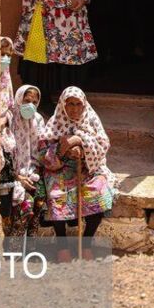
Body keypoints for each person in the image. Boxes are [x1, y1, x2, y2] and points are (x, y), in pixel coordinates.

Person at [37, 87, 115, 261]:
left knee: (99, 195)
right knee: (57, 197)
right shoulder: (55, 122)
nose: (74, 108)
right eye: (70, 104)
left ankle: (86, 244)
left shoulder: (92, 119)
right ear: (63, 105)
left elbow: (103, 146)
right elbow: (42, 152)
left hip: (88, 169)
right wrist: (61, 151)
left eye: (78, 104)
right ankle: (62, 246)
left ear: (84, 104)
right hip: (60, 169)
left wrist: (81, 144)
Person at [3, 84, 47, 238]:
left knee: (40, 202)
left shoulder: (39, 120)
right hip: (15, 175)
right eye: (26, 100)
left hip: (34, 173)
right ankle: (13, 252)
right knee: (26, 207)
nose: (30, 105)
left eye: (34, 103)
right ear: (19, 99)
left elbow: (43, 149)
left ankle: (31, 249)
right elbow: (5, 154)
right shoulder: (10, 119)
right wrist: (18, 177)